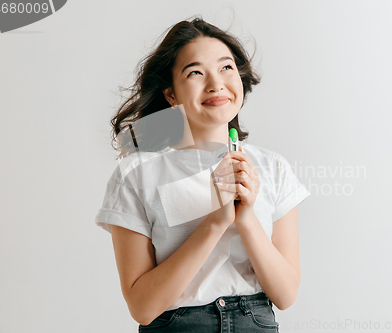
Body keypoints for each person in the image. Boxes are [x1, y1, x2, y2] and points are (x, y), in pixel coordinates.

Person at [95, 17, 311, 333]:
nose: (215, 83)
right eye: (195, 72)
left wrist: (246, 217)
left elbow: (286, 294)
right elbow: (142, 308)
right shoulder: (137, 174)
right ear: (170, 94)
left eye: (226, 68)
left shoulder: (273, 168)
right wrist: (216, 221)